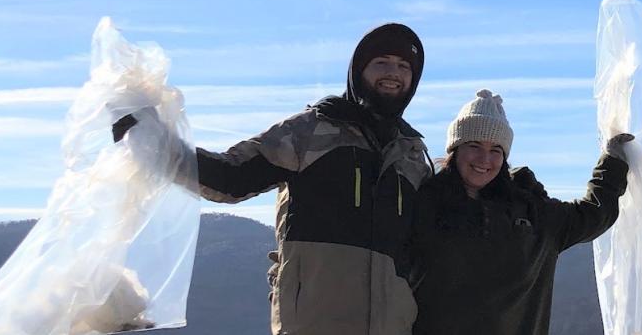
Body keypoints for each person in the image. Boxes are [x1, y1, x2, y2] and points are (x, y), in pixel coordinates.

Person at [114, 22, 432, 335]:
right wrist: (154, 139)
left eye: (405, 66)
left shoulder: (413, 156)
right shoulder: (311, 131)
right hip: (314, 323)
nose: (394, 72)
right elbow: (231, 178)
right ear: (358, 70)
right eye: (382, 62)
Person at [408, 89, 632, 335]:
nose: (485, 159)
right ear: (455, 149)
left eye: (496, 150)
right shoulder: (423, 206)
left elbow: (592, 215)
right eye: (474, 145)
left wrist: (612, 164)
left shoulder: (533, 213)